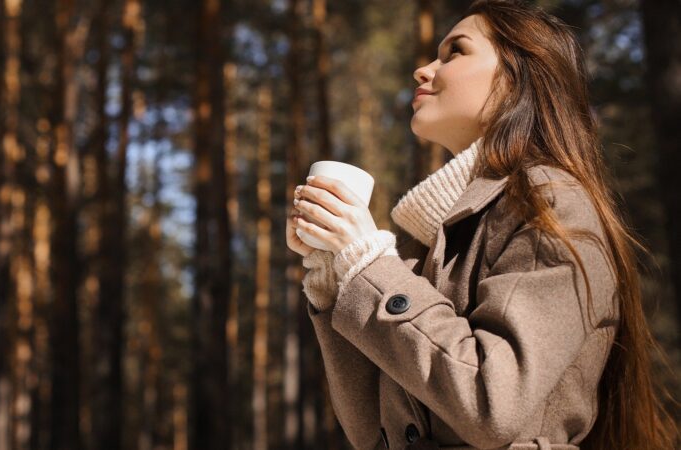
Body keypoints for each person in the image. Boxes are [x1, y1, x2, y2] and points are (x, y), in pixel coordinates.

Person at [285, 1, 678, 449]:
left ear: (516, 79)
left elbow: (492, 403)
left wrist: (367, 265)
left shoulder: (550, 203)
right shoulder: (429, 241)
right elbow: (370, 433)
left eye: (455, 53)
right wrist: (334, 272)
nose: (424, 70)